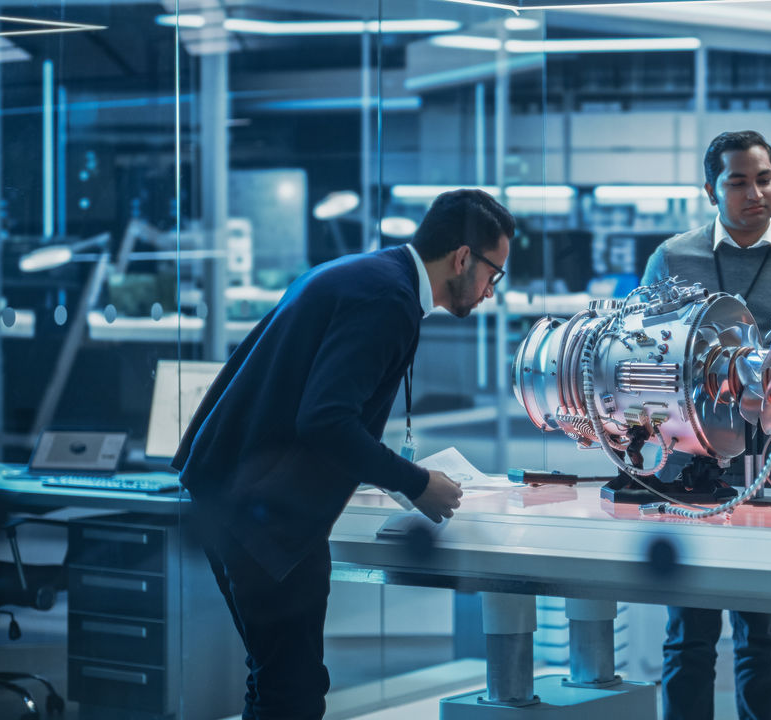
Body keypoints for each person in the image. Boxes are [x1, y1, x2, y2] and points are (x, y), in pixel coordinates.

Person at [172, 189, 515, 720]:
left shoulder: (370, 275)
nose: (493, 291)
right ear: (464, 258)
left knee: (278, 680)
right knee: (293, 690)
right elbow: (325, 419)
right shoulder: (388, 301)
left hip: (234, 492)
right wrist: (416, 482)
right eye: (496, 274)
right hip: (261, 511)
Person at [641, 130, 771, 720]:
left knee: (761, 636)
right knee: (688, 635)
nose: (756, 192)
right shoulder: (673, 258)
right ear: (710, 190)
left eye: (765, 178)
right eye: (738, 180)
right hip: (687, 466)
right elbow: (637, 358)